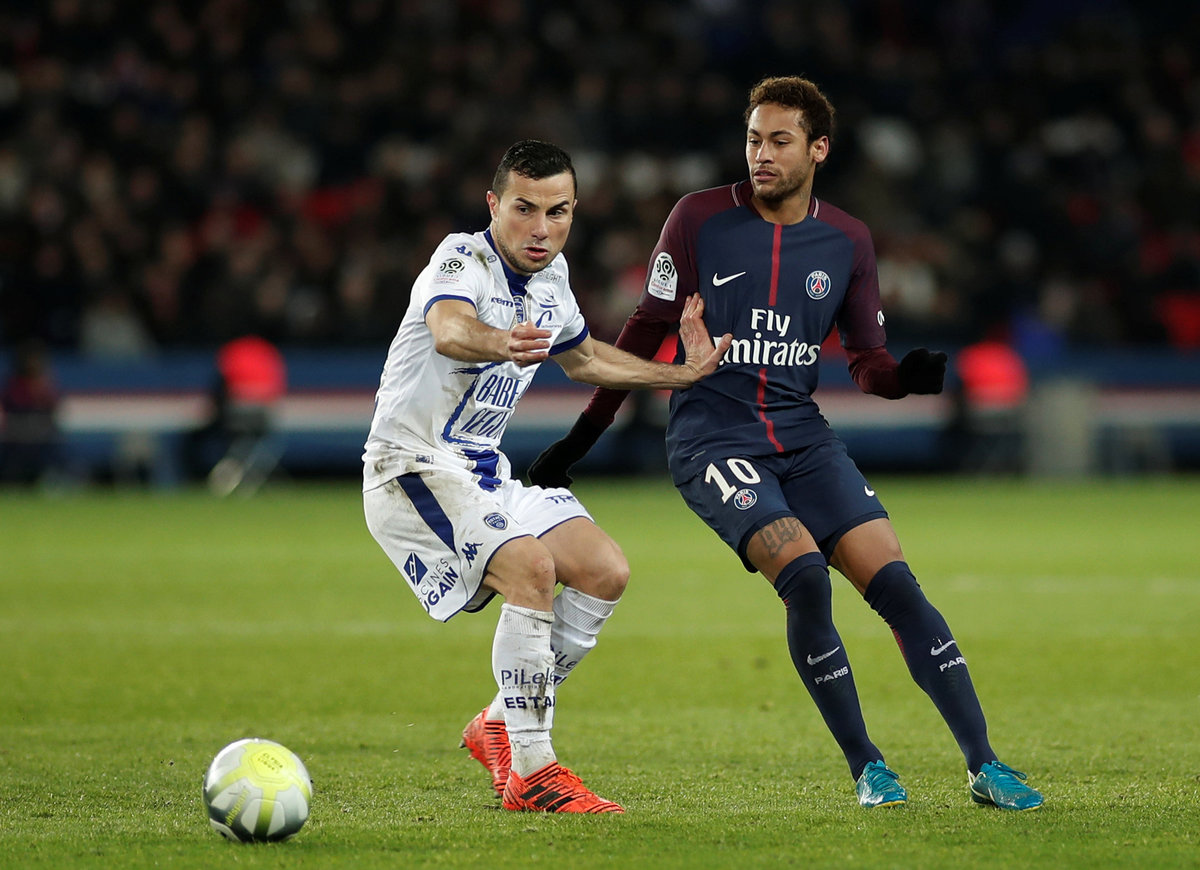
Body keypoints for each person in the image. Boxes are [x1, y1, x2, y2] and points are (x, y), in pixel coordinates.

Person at [528, 77, 1044, 811]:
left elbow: (866, 361)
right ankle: (869, 766)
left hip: (801, 435)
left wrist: (902, 380)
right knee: (804, 575)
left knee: (897, 585)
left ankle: (985, 765)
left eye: (779, 140)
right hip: (712, 439)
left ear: (818, 149)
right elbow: (645, 331)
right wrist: (581, 438)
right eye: (753, 139)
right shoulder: (698, 218)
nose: (761, 154)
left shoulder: (848, 240)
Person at [362, 140, 731, 814]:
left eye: (556, 212)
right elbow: (448, 328)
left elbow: (585, 358)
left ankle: (497, 722)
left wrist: (681, 374)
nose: (540, 228)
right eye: (524, 209)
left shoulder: (552, 279)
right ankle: (533, 769)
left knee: (604, 570)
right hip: (409, 468)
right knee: (532, 568)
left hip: (483, 475)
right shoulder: (461, 258)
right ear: (493, 205)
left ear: (573, 211)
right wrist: (499, 340)